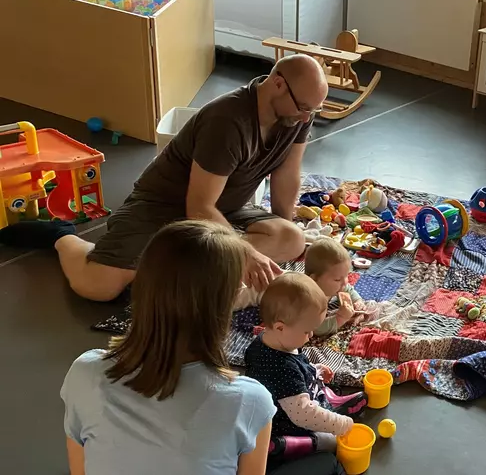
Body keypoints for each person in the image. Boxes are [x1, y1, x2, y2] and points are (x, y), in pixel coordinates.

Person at [0, 54, 329, 302]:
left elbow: (287, 173)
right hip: (163, 207)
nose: (305, 117)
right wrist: (244, 250)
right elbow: (198, 206)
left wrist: (283, 228)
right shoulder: (227, 122)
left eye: (312, 111)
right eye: (303, 107)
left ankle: (171, 270)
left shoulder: (296, 115)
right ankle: (62, 236)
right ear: (277, 84)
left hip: (224, 209)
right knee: (97, 287)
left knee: (291, 238)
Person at [60, 221, 275, 475]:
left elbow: (79, 470)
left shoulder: (85, 373)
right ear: (223, 303)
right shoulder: (250, 400)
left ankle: (61, 238)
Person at [244, 273, 366, 456]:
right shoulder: (281, 369)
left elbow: (297, 369)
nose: (310, 336)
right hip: (288, 422)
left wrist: (314, 370)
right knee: (332, 442)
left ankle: (330, 403)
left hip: (298, 398)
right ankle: (294, 444)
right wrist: (342, 426)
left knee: (321, 393)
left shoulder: (271, 341)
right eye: (306, 331)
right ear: (280, 327)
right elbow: (303, 415)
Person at [234, 237, 359, 338]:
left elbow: (347, 288)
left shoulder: (334, 285)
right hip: (245, 291)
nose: (344, 282)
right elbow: (313, 328)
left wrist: (357, 301)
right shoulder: (306, 297)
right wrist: (340, 318)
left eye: (346, 276)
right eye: (337, 279)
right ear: (314, 279)